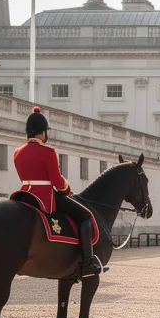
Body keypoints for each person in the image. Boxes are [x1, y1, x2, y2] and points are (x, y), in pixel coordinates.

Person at [15, 107, 101, 278]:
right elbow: (57, 181)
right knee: (85, 216)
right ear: (43, 132)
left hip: (24, 194)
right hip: (45, 197)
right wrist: (67, 189)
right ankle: (87, 262)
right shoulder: (48, 152)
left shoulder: (17, 152)